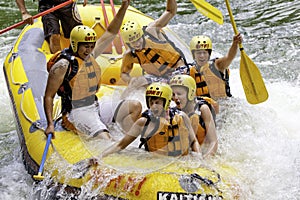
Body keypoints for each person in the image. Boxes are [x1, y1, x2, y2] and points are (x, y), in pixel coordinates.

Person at [44, 0, 141, 140]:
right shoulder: (63, 65)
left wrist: (124, 6)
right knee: (107, 141)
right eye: (85, 47)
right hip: (76, 113)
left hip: (95, 105)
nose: (89, 50)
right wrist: (50, 125)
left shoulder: (89, 55)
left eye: (91, 46)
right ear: (75, 44)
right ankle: (109, 142)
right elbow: (49, 96)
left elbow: (111, 32)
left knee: (135, 106)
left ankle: (123, 138)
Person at [100, 82, 202, 158]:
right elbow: (120, 145)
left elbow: (193, 142)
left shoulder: (182, 116)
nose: (153, 106)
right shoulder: (143, 122)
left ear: (166, 102)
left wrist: (198, 159)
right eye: (151, 102)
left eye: (157, 102)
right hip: (156, 164)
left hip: (181, 161)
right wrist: (100, 157)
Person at [119, 0, 188, 97]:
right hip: (159, 78)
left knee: (175, 90)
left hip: (177, 70)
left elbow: (170, 12)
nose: (137, 44)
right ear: (128, 43)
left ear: (141, 35)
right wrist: (131, 81)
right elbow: (123, 74)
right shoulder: (130, 55)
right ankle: (119, 105)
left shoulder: (152, 32)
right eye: (133, 42)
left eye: (138, 39)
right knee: (135, 83)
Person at [169, 75, 218, 158]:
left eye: (179, 94)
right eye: (173, 94)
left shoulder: (203, 109)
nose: (175, 98)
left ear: (190, 94)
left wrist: (206, 158)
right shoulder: (173, 112)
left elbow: (213, 141)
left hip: (205, 147)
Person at [16, 0, 87, 53]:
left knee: (78, 34)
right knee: (54, 36)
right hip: (46, 5)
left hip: (67, 3)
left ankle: (82, 61)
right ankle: (60, 63)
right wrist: (24, 13)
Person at [189, 34, 243, 100]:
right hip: (205, 106)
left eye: (204, 53)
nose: (202, 56)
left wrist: (235, 44)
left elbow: (229, 57)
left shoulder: (217, 65)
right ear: (193, 55)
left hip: (225, 105)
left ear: (209, 54)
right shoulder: (190, 72)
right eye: (198, 53)